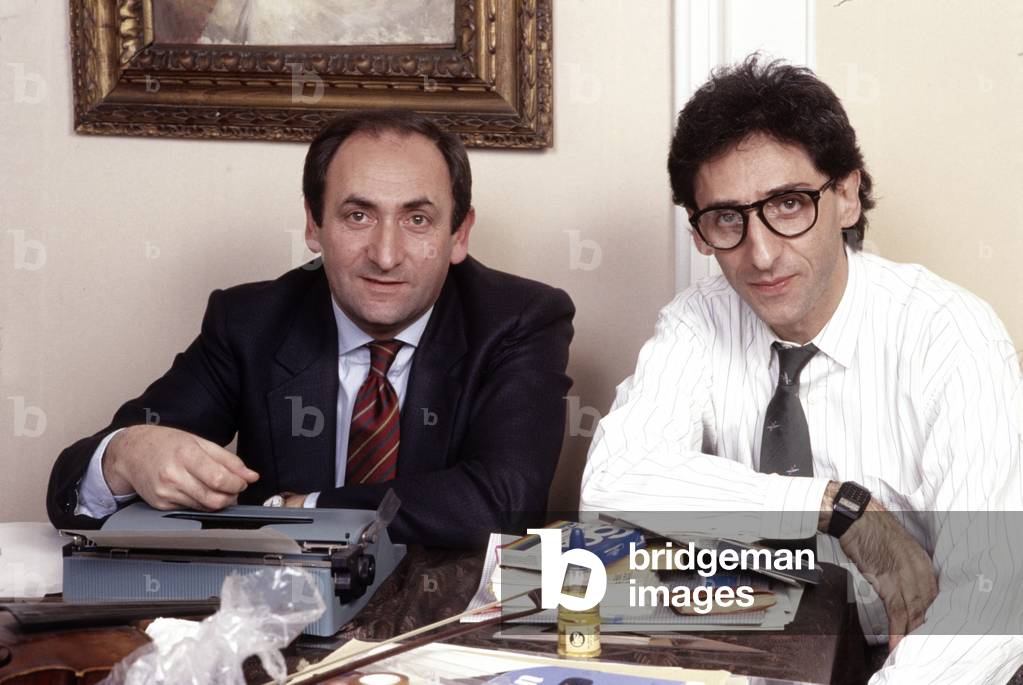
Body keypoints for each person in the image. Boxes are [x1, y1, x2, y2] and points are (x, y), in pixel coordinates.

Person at [580, 57, 1023, 683]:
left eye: (788, 204)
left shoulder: (949, 334)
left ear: (846, 196)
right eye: (727, 218)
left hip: (913, 660)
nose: (761, 254)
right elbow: (611, 483)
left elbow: (993, 602)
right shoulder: (697, 320)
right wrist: (834, 508)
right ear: (699, 232)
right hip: (753, 649)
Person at [47, 109, 575, 548]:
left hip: (444, 618)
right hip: (281, 613)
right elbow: (73, 489)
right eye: (357, 216)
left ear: (459, 235)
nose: (385, 255)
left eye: (417, 220)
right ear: (313, 224)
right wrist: (125, 455)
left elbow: (503, 503)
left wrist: (301, 511)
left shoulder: (520, 320)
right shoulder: (251, 321)